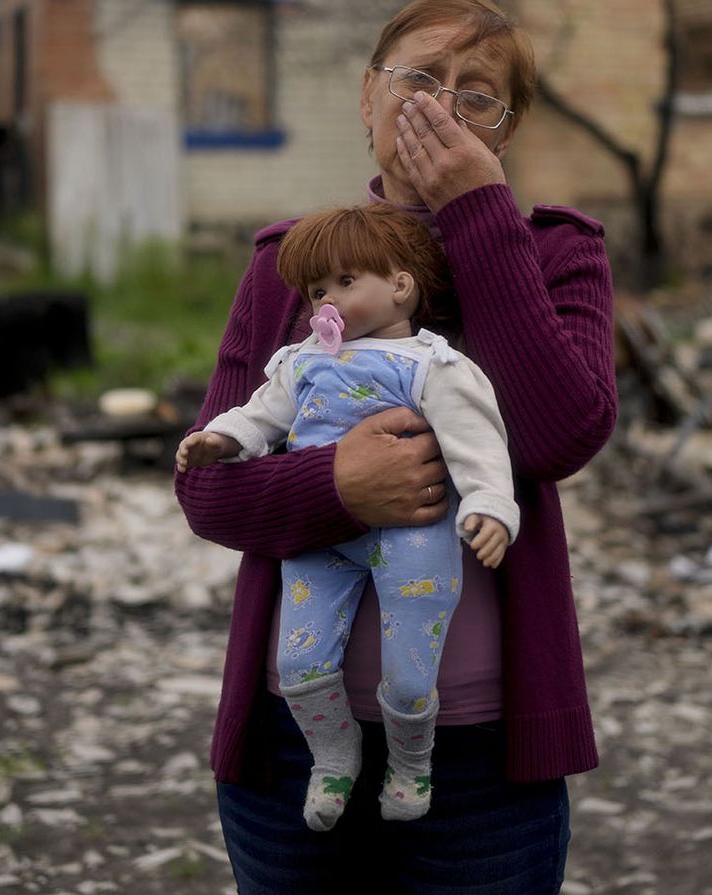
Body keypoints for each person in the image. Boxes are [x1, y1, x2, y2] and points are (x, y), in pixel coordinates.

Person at [173, 0, 615, 890]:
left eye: (476, 95)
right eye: (417, 80)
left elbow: (559, 433)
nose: (440, 108)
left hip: (484, 756)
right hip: (292, 745)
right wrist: (340, 484)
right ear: (366, 99)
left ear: (508, 129)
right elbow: (208, 488)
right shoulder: (288, 265)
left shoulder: (557, 254)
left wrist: (479, 213)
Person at [175, 203, 518, 832]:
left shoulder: (432, 365)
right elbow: (259, 416)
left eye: (345, 282)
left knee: (412, 669)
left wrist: (493, 506)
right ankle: (334, 758)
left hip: (415, 531)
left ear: (400, 284)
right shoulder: (299, 361)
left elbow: (477, 442)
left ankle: (412, 764)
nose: (325, 302)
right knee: (302, 660)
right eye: (316, 290)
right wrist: (218, 440)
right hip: (323, 534)